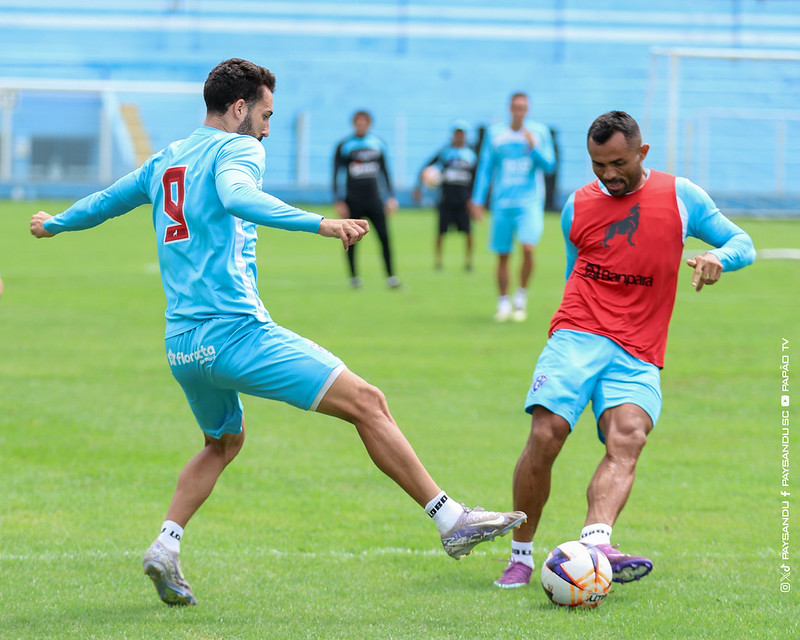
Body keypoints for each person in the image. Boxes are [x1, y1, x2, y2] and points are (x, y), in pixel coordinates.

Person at [29, 58, 526, 607]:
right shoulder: (239, 149)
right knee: (368, 401)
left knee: (223, 441)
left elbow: (103, 203)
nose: (268, 127)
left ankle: (166, 545)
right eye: (265, 114)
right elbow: (238, 196)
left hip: (182, 347)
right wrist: (321, 223)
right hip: (236, 333)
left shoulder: (165, 160)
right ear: (240, 108)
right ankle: (451, 520)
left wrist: (53, 223)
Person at [493, 110, 756, 589]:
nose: (609, 175)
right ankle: (521, 555)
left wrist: (719, 256)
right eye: (598, 166)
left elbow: (744, 241)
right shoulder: (577, 205)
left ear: (643, 152)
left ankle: (595, 544)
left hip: (638, 346)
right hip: (578, 331)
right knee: (547, 433)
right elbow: (576, 270)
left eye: (618, 163)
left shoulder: (681, 196)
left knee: (629, 435)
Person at [470, 92, 556, 322]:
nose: (519, 111)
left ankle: (521, 297)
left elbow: (549, 165)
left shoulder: (538, 133)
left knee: (528, 248)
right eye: (516, 107)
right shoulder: (495, 134)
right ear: (510, 108)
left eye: (523, 108)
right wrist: (478, 199)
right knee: (503, 255)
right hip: (502, 203)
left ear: (527, 110)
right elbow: (486, 168)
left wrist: (533, 147)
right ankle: (503, 302)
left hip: (528, 202)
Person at [333, 110, 400, 289]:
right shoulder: (345, 146)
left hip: (375, 200)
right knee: (351, 239)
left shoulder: (378, 144)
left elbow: (385, 172)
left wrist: (391, 196)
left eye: (364, 122)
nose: (361, 125)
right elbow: (336, 174)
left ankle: (391, 277)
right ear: (354, 124)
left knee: (385, 237)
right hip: (353, 200)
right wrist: (339, 200)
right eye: (358, 122)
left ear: (369, 124)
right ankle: (354, 278)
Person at [413, 120, 478, 271]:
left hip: (464, 200)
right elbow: (426, 167)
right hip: (446, 199)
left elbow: (475, 179)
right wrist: (419, 186)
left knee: (468, 232)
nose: (459, 136)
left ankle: (468, 262)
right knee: (441, 232)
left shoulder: (471, 155)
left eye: (462, 134)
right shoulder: (445, 153)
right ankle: (438, 261)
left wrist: (473, 200)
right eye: (457, 133)